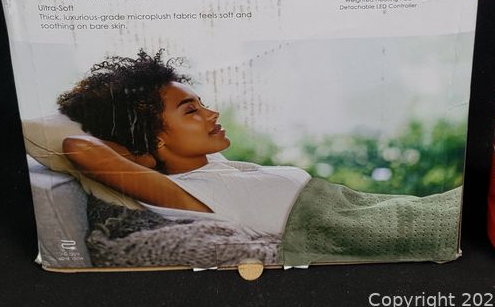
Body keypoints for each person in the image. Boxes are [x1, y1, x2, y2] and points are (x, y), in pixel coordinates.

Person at [57, 50, 310, 236]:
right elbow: (79, 148)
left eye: (202, 104)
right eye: (191, 110)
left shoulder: (211, 164)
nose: (213, 114)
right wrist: (145, 153)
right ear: (155, 137)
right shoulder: (186, 193)